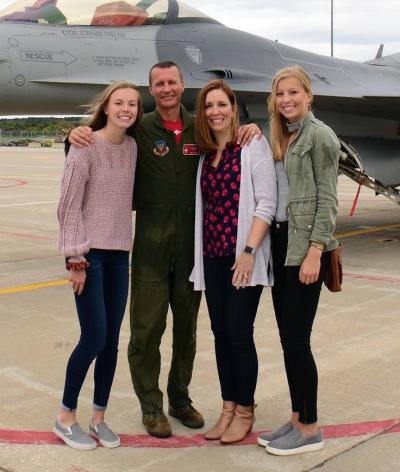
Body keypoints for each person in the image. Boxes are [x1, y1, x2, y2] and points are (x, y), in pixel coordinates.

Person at [68, 61, 261, 438]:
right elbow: (103, 135)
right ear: (151, 89)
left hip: (192, 250)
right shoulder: (140, 127)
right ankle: (152, 406)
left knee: (186, 333)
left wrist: (250, 127)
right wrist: (75, 133)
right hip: (150, 251)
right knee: (145, 332)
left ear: (182, 85)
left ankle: (180, 398)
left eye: (173, 81)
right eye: (159, 83)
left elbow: (229, 134)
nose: (167, 88)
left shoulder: (200, 125)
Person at [257, 66, 340, 456]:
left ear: (309, 96)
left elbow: (329, 199)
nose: (286, 100)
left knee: (297, 341)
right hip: (280, 243)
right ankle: (296, 417)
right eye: (279, 95)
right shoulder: (282, 135)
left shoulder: (320, 136)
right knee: (288, 341)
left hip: (305, 247)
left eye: (293, 93)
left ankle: (310, 428)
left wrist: (315, 251)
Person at [55, 81, 142, 450]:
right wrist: (75, 257)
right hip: (89, 258)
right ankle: (65, 416)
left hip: (121, 255)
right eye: (119, 103)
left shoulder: (134, 147)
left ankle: (99, 418)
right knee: (94, 336)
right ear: (106, 107)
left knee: (111, 342)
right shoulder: (85, 144)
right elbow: (68, 205)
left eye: (133, 104)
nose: (126, 109)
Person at [190, 80, 277, 444]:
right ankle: (227, 408)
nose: (215, 111)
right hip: (212, 256)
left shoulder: (251, 144)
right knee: (221, 334)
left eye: (222, 104)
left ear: (233, 107)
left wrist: (249, 252)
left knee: (240, 334)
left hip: (242, 258)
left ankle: (245, 409)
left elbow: (266, 204)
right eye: (209, 105)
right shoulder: (205, 154)